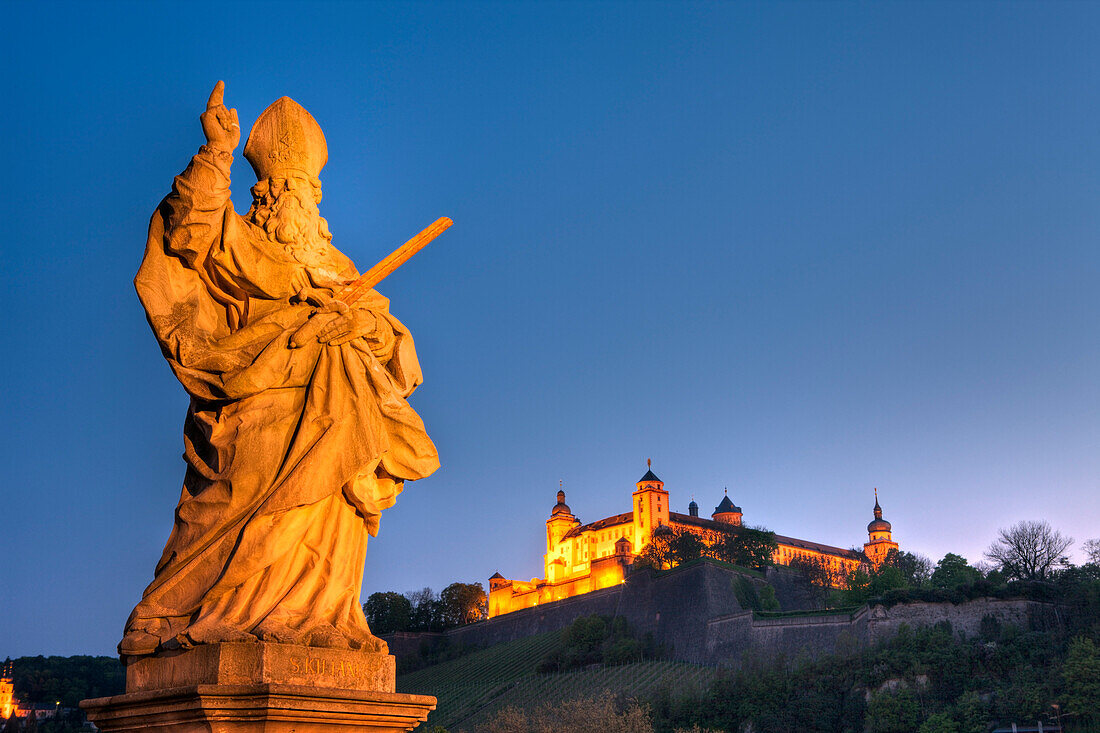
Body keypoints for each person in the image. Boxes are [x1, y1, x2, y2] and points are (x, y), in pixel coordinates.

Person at [119, 82, 439, 658]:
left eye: (305, 189)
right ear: (261, 194)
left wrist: (358, 328)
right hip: (255, 408)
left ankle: (320, 619)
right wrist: (217, 151)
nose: (295, 199)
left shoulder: (337, 266)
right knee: (226, 506)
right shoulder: (237, 244)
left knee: (327, 500)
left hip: (334, 413)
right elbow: (188, 227)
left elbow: (390, 338)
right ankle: (174, 611)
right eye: (280, 187)